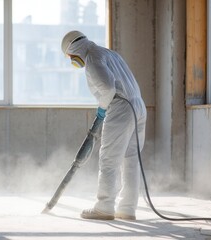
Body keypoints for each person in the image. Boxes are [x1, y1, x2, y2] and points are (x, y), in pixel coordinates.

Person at [61, 30, 147, 220]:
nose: (71, 60)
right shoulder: (109, 53)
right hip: (138, 105)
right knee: (131, 159)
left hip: (121, 108)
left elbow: (108, 88)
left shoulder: (92, 59)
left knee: (109, 159)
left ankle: (105, 207)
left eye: (69, 56)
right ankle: (127, 208)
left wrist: (102, 109)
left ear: (74, 48)